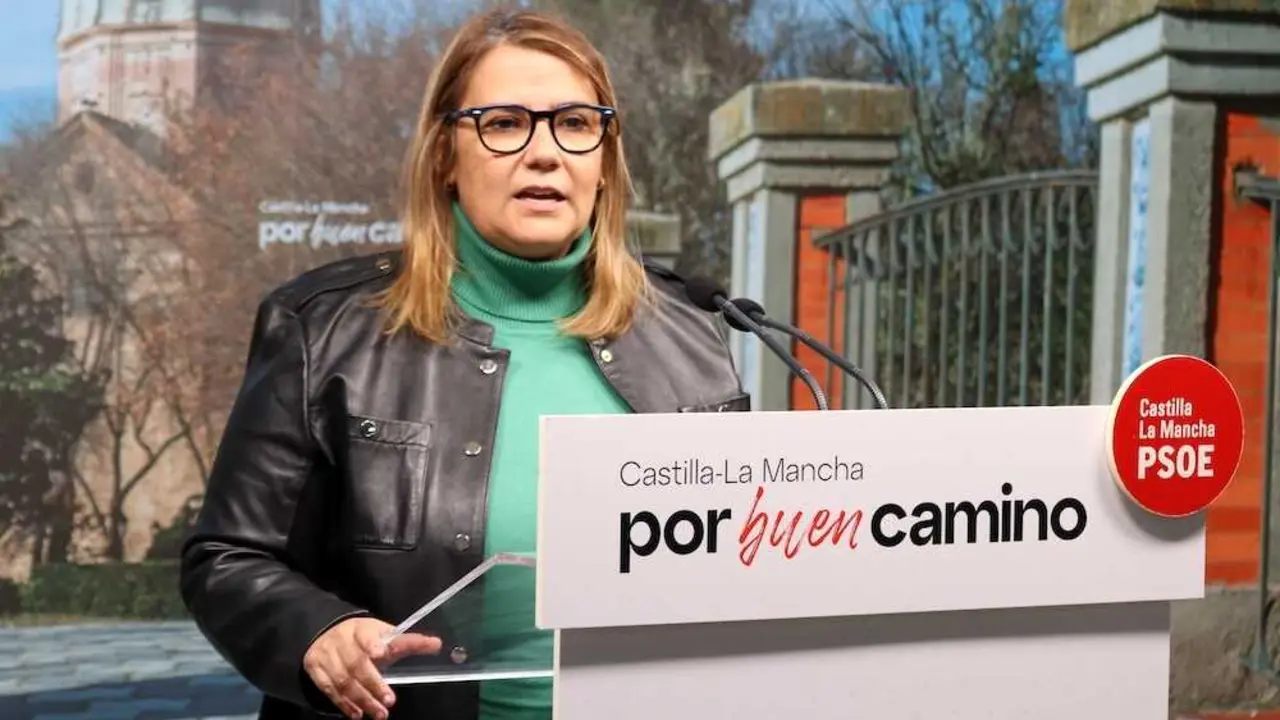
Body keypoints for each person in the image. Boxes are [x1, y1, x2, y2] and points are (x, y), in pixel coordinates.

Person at [179, 7, 749, 720]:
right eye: (505, 122)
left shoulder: (694, 335)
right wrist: (318, 632)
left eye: (575, 123)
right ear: (445, 153)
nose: (545, 153)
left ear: (604, 159)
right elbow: (228, 560)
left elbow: (735, 571)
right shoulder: (323, 329)